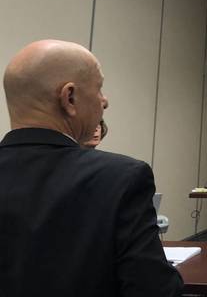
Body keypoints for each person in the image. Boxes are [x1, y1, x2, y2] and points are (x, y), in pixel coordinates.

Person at [0, 40, 183, 297]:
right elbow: (154, 289)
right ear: (69, 98)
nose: (104, 101)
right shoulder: (122, 179)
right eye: (99, 89)